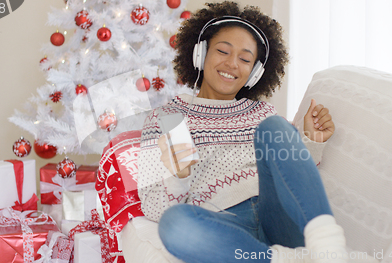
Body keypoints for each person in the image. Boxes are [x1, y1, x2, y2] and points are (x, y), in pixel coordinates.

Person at [137, 2, 349, 262]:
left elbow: (294, 181)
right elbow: (153, 207)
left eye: (245, 59)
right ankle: (276, 259)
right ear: (200, 54)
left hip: (280, 217)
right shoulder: (163, 119)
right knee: (174, 223)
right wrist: (177, 176)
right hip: (226, 225)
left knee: (273, 127)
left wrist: (311, 142)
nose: (232, 64)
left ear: (255, 72)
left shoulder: (264, 113)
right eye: (223, 51)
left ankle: (330, 250)